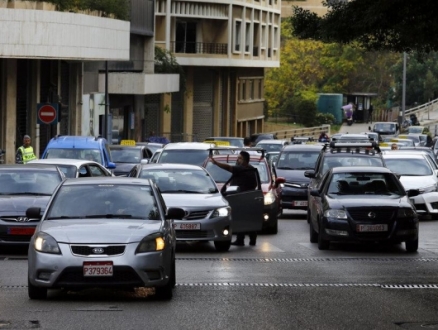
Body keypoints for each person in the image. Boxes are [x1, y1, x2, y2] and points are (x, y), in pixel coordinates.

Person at [210, 150, 258, 246]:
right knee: (249, 218)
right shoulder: (252, 169)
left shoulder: (241, 169)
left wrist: (216, 163)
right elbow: (255, 184)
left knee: (240, 217)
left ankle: (240, 239)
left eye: (240, 158)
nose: (238, 160)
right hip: (250, 197)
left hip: (240, 197)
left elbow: (228, 167)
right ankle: (252, 238)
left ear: (245, 160)